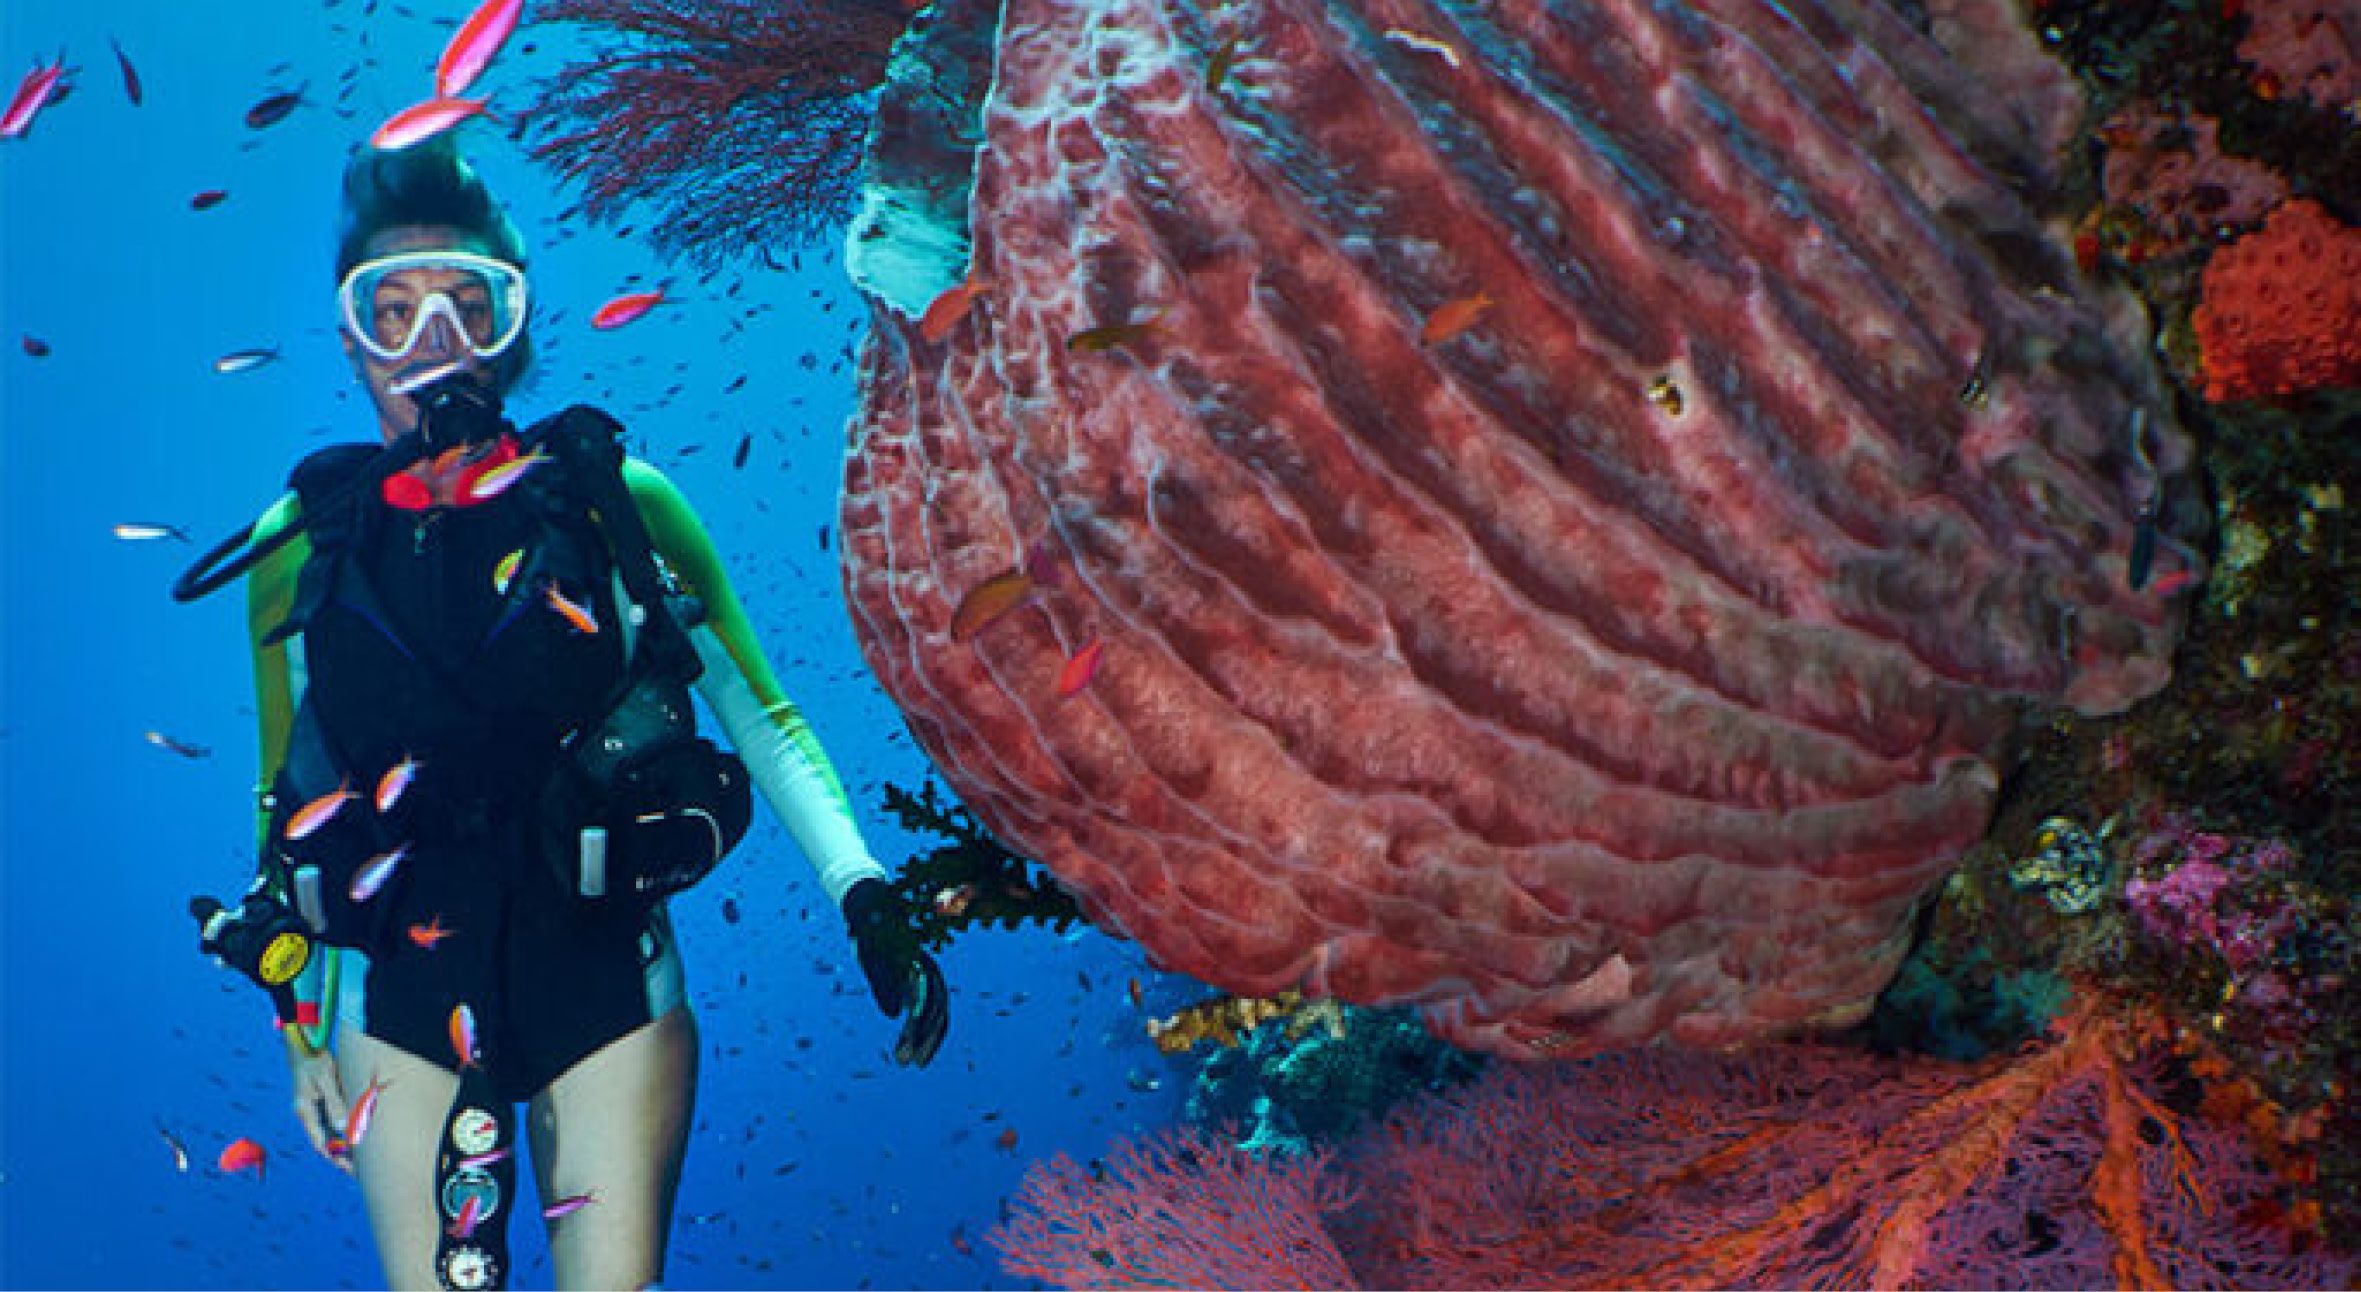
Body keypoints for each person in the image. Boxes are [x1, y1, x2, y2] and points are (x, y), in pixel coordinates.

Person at [185, 136, 947, 1291]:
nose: (433, 344)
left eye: (468, 305)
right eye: (392, 311)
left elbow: (764, 715)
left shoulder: (614, 501)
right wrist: (298, 1021)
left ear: (517, 327)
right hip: (399, 1005)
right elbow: (286, 788)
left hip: (611, 996)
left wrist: (866, 892)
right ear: (350, 343)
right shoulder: (298, 548)